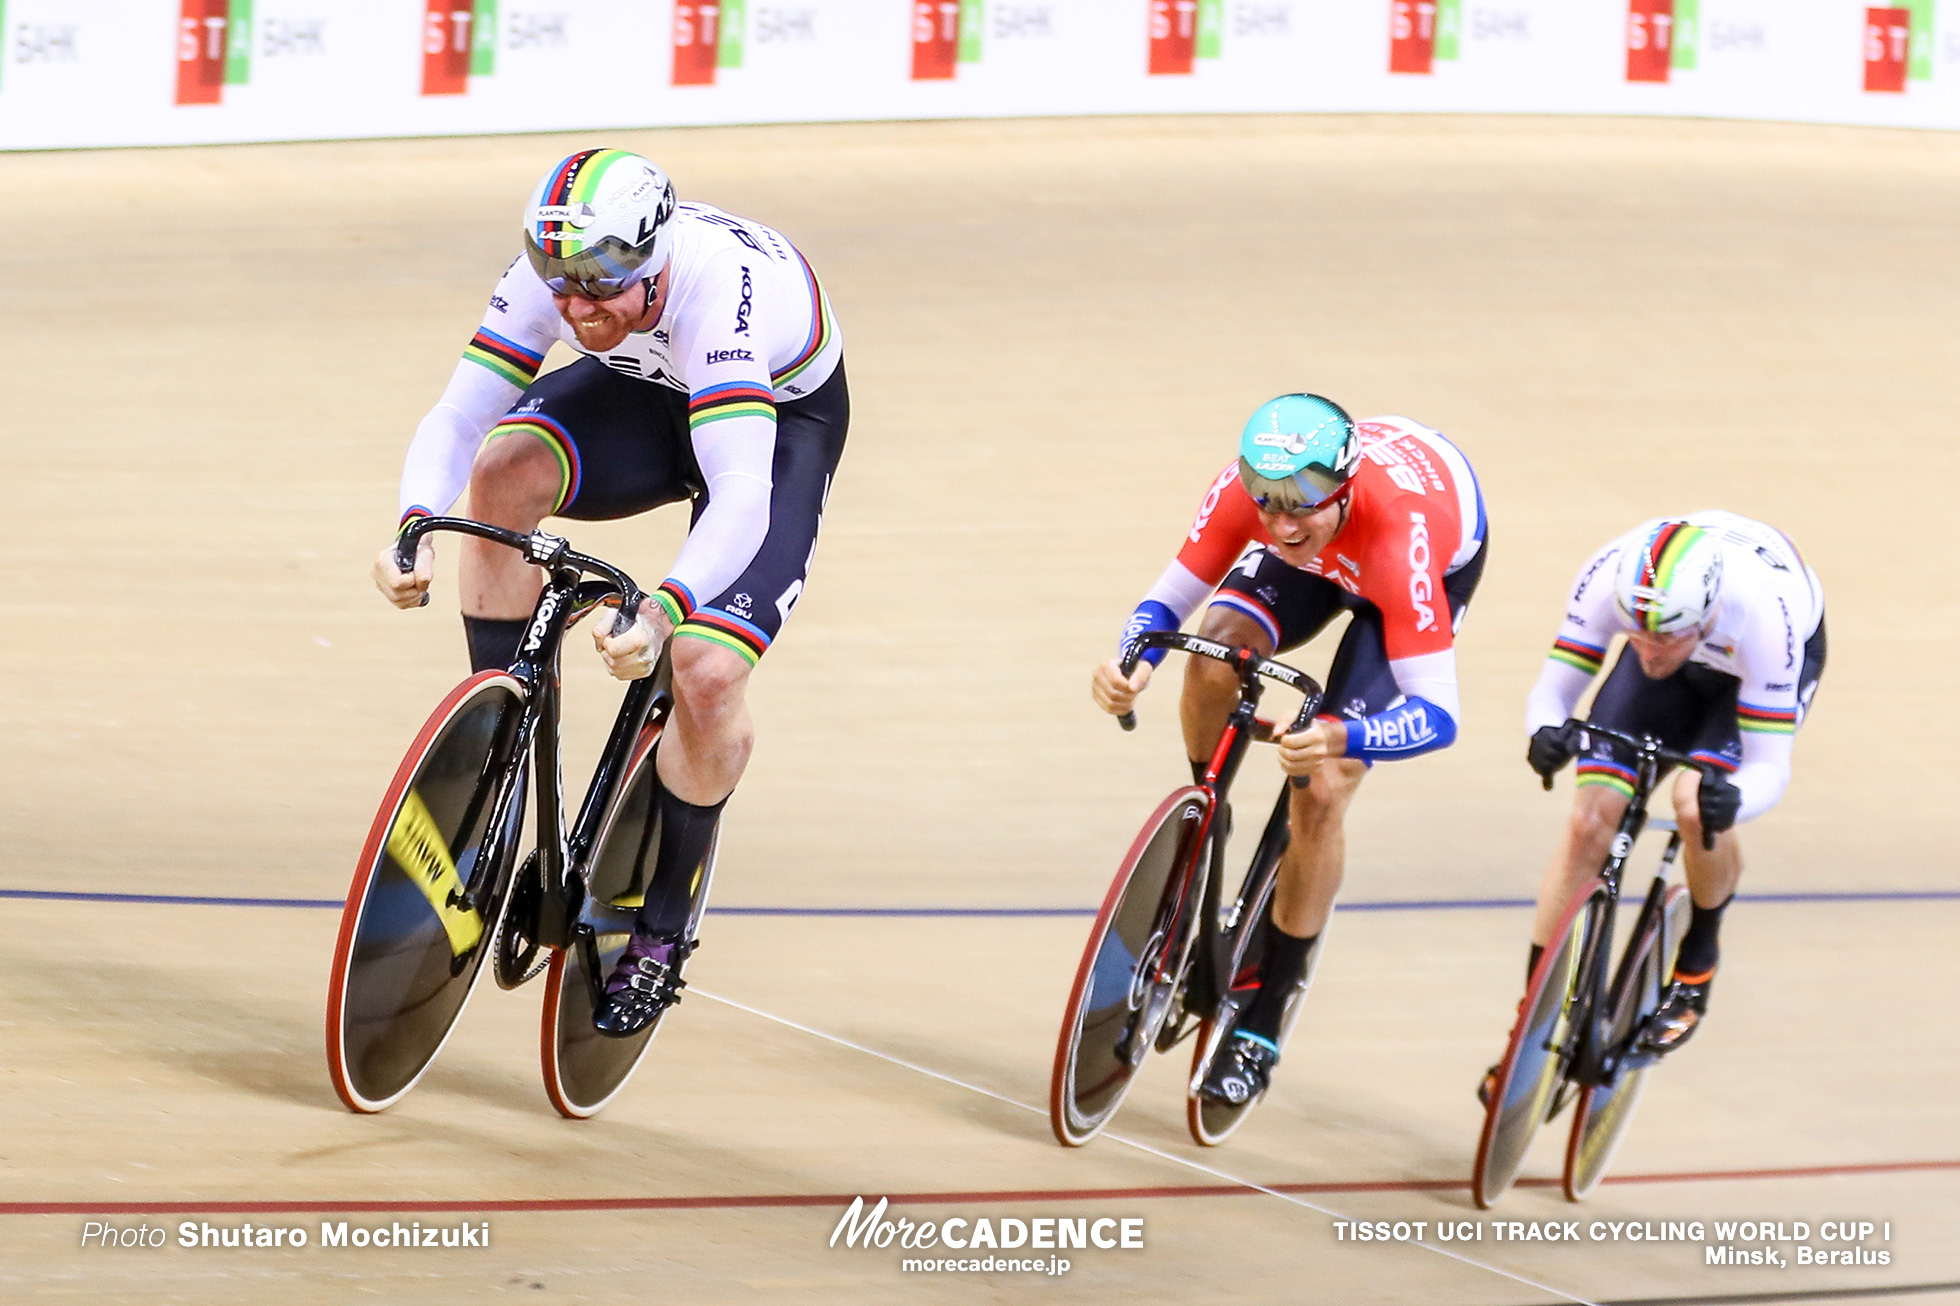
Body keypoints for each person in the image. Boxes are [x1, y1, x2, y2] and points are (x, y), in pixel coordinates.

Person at [370, 148, 847, 1037]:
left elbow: (741, 493)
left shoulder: (720, 292)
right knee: (503, 470)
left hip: (772, 425)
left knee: (705, 672)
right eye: (564, 288)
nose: (578, 307)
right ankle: (500, 736)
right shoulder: (555, 269)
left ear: (654, 258)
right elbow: (460, 414)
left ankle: (664, 928)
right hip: (644, 390)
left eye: (601, 287)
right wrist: (414, 522)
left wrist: (667, 609)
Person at [1091, 394, 1487, 1105]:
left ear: (1341, 487)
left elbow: (1441, 715)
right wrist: (1130, 665)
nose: (1280, 522)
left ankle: (1265, 1015)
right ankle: (1208, 818)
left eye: (1301, 504)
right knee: (1211, 657)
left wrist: (1344, 735)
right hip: (1327, 558)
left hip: (1407, 561)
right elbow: (1167, 603)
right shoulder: (1261, 500)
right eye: (1267, 504)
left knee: (1324, 788)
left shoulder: (1405, 539)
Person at [1511, 513, 1824, 1058]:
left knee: (1695, 805)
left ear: (1704, 618)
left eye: (1666, 636)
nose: (1650, 650)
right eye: (1638, 634)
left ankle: (1699, 956)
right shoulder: (1612, 578)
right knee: (1589, 820)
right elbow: (1553, 693)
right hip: (1686, 651)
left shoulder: (1766, 620)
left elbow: (1770, 768)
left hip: (1748, 670)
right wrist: (1545, 733)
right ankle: (1530, 1026)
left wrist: (1736, 798)